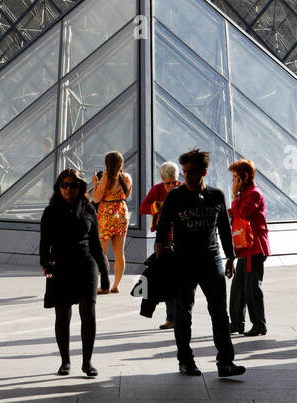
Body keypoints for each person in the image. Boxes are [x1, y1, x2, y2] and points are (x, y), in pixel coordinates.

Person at [155, 148, 246, 377]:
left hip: (211, 258)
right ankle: (185, 360)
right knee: (183, 313)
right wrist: (161, 260)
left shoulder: (216, 195)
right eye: (184, 171)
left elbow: (224, 228)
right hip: (183, 261)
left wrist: (230, 257)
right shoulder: (175, 196)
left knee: (219, 312)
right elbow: (162, 229)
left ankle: (225, 361)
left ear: (204, 171)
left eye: (192, 172)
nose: (187, 176)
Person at [39, 169, 109, 377]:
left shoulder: (89, 210)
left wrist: (105, 274)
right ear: (58, 187)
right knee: (62, 315)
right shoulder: (50, 212)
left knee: (88, 314)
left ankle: (87, 362)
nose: (68, 188)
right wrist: (45, 262)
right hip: (60, 266)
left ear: (80, 187)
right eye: (64, 185)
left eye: (72, 184)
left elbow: (96, 244)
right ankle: (65, 362)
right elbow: (44, 243)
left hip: (86, 266)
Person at [227, 159, 271, 337]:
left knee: (252, 287)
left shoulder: (253, 193)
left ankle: (259, 324)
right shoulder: (245, 193)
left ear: (245, 177)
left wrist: (234, 196)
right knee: (238, 287)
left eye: (235, 177)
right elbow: (233, 214)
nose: (233, 181)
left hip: (254, 247)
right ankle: (237, 322)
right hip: (245, 247)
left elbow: (242, 213)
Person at [140, 162, 180, 329]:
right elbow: (143, 208)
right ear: (162, 180)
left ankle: (177, 317)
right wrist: (159, 206)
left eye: (174, 182)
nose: (171, 185)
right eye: (168, 183)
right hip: (163, 240)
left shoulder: (182, 189)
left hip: (180, 239)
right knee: (167, 279)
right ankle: (171, 318)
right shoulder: (157, 189)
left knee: (177, 281)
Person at [92, 151, 132, 293]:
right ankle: (116, 285)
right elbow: (126, 195)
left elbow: (96, 199)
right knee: (119, 253)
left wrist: (95, 184)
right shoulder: (127, 177)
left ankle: (105, 286)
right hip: (121, 213)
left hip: (106, 215)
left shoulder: (105, 178)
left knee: (102, 252)